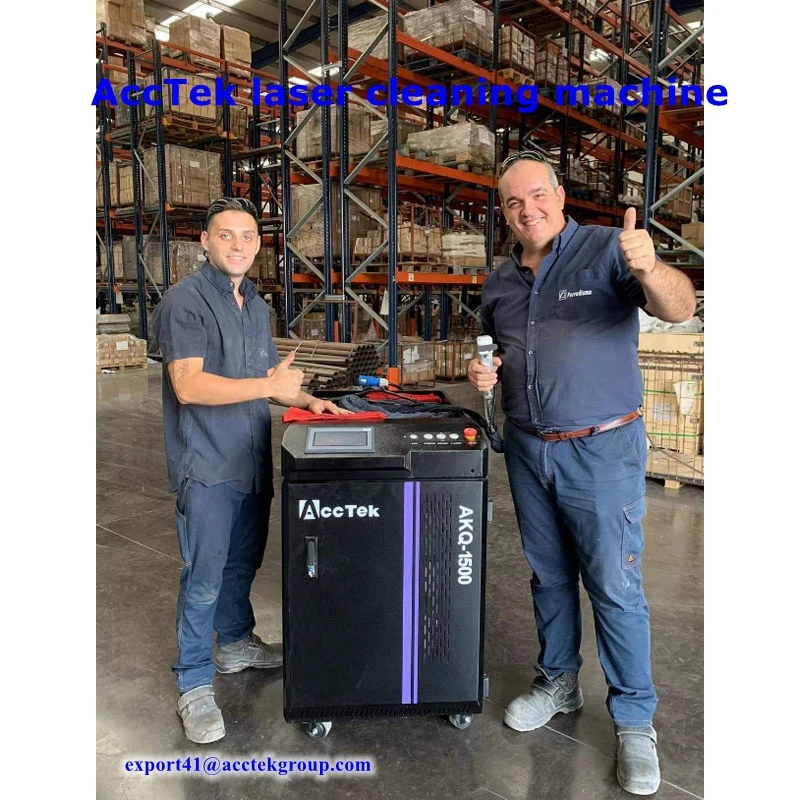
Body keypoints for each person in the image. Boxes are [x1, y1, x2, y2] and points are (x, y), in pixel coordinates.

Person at [468, 153, 696, 796]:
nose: (528, 210)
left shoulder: (607, 250)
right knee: (548, 575)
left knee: (614, 585)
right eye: (514, 202)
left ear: (560, 196)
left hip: (601, 450)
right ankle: (559, 682)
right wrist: (485, 373)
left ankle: (633, 720)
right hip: (528, 449)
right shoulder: (500, 282)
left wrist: (650, 267)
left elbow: (679, 308)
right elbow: (497, 351)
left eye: (537, 195)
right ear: (504, 211)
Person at [152, 197, 351, 745]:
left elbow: (261, 374)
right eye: (225, 235)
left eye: (247, 236)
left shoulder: (255, 305)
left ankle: (236, 643)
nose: (237, 245)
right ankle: (194, 681)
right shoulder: (185, 302)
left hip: (250, 458)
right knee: (204, 577)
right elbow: (188, 386)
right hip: (207, 465)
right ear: (205, 242)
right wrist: (270, 386)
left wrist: (306, 400)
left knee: (243, 561)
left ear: (258, 245)